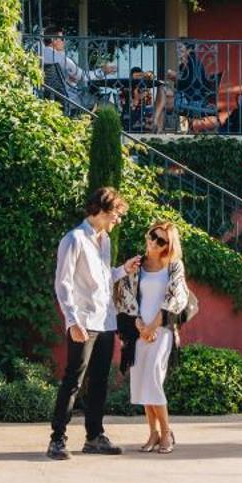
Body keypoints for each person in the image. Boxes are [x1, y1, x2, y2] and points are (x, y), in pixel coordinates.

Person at [48, 187, 135, 460]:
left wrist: (123, 270)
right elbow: (63, 283)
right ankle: (57, 440)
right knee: (73, 379)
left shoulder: (104, 241)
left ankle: (94, 436)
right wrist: (72, 321)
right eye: (116, 214)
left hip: (105, 320)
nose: (117, 220)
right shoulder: (73, 239)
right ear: (100, 210)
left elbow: (102, 276)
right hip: (83, 322)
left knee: (99, 381)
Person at [114, 219, 194, 453]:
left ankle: (167, 433)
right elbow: (124, 296)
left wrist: (153, 327)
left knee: (152, 378)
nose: (154, 242)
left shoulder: (174, 266)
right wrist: (140, 326)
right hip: (139, 332)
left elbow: (175, 298)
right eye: (152, 235)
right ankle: (153, 434)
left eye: (161, 240)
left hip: (162, 331)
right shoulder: (136, 264)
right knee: (141, 383)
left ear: (168, 245)